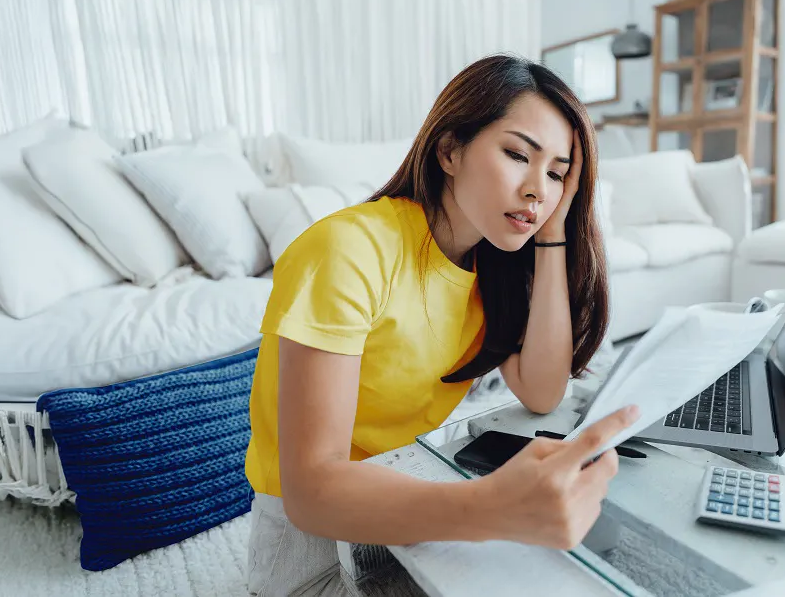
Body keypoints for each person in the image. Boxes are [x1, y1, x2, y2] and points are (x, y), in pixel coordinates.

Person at [243, 54, 640, 596]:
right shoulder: (349, 249)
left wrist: (551, 235)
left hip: (411, 491)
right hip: (312, 542)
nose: (537, 189)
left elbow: (544, 391)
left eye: (556, 173)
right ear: (450, 151)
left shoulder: (491, 264)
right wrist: (494, 508)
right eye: (517, 155)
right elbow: (311, 492)